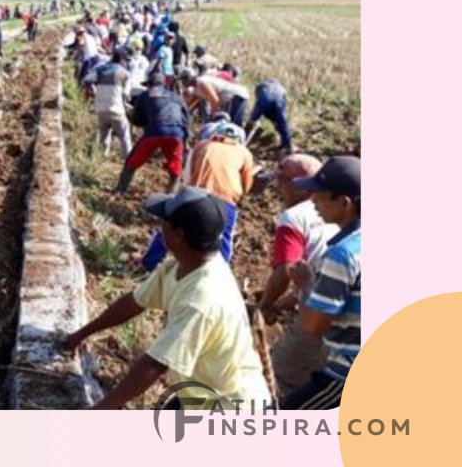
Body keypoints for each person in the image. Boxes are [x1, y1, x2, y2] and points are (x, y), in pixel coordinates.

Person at [65, 187, 271, 410]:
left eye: (164, 223)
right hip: (203, 393)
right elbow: (133, 303)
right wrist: (81, 334)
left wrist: (98, 410)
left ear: (178, 235)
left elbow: (155, 365)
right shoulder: (180, 266)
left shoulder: (202, 298)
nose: (159, 229)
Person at [281, 155, 361, 410]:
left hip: (346, 374)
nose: (313, 200)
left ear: (344, 203)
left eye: (321, 194)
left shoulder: (341, 255)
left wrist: (305, 285)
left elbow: (313, 325)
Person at [255, 155, 339, 396]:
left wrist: (265, 306)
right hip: (346, 319)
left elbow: (286, 270)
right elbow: (313, 274)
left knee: (276, 380)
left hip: (318, 316)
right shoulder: (339, 215)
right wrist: (283, 304)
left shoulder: (294, 217)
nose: (278, 189)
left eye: (280, 182)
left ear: (296, 184)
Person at [141, 121, 253, 271]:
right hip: (225, 200)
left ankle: (149, 263)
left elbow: (187, 176)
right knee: (223, 238)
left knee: (172, 225)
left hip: (196, 195)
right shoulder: (244, 152)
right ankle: (219, 274)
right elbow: (247, 184)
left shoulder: (202, 145)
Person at [115, 73, 190, 196]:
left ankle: (120, 190)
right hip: (177, 132)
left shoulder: (145, 95)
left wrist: (136, 119)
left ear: (149, 84)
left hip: (156, 130)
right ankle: (171, 193)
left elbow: (138, 119)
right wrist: (185, 139)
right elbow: (187, 118)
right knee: (176, 164)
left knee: (133, 160)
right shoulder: (176, 97)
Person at [83, 46, 132, 157]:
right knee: (125, 136)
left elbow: (86, 80)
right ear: (122, 60)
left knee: (103, 135)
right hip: (116, 109)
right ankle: (128, 159)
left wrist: (94, 91)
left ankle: (101, 157)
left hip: (100, 109)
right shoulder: (125, 74)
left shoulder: (100, 70)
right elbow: (126, 95)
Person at [246, 78, 293, 154]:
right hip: (279, 102)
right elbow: (284, 102)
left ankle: (244, 139)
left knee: (252, 121)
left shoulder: (261, 86)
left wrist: (256, 116)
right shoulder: (281, 88)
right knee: (282, 124)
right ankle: (286, 145)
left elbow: (259, 98)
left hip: (264, 100)